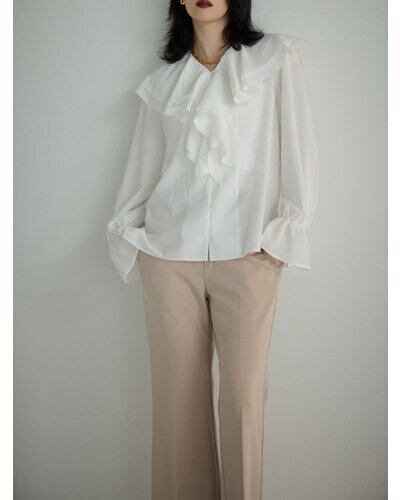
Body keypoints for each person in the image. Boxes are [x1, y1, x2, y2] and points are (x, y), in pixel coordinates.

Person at [106, 0, 319, 498]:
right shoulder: (162, 85)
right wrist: (139, 243)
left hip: (249, 254)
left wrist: (279, 240)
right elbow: (143, 173)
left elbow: (299, 152)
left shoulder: (274, 61)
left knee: (244, 401)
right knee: (177, 408)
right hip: (169, 260)